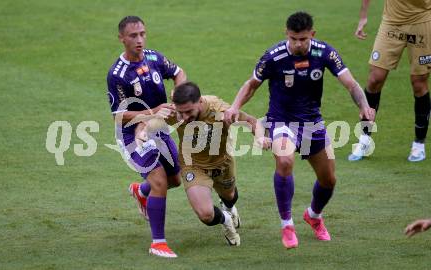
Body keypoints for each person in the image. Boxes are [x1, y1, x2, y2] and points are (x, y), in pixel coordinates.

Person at [224, 11, 375, 249]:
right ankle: (287, 224)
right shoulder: (274, 56)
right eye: (293, 38)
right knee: (285, 162)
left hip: (312, 122)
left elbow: (351, 84)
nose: (298, 44)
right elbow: (251, 85)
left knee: (329, 180)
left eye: (303, 39)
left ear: (312, 35)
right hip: (280, 120)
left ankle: (313, 216)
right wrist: (235, 106)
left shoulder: (325, 52)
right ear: (287, 34)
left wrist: (364, 106)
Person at [106, 15, 186, 258]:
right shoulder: (117, 74)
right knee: (160, 181)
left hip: (158, 130)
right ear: (121, 38)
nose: (139, 40)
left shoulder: (154, 58)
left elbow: (179, 72)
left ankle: (141, 191)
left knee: (174, 181)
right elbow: (119, 116)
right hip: (133, 136)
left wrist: (178, 91)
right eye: (133, 36)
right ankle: (158, 243)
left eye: (142, 34)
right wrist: (153, 111)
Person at [167, 81, 257, 246]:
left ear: (200, 101)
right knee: (206, 215)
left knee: (230, 196)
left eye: (189, 112)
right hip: (192, 165)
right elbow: (149, 117)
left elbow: (250, 121)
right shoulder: (174, 112)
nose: (185, 117)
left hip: (221, 162)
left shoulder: (219, 111)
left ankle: (228, 207)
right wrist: (141, 131)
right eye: (181, 112)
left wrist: (261, 137)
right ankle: (226, 219)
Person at [349, 0, 431, 162]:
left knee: (419, 83)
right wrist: (363, 16)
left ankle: (419, 144)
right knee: (374, 79)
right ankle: (364, 140)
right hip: (392, 23)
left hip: (422, 22)